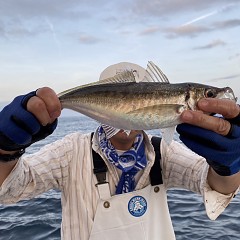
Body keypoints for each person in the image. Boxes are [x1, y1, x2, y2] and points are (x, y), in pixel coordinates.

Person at [0, 62, 240, 240]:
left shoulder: (163, 152)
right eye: (208, 95)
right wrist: (5, 149)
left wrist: (227, 164)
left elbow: (216, 184)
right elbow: (12, 187)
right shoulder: (70, 152)